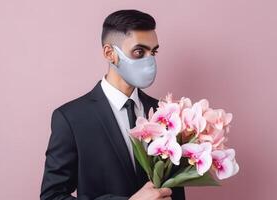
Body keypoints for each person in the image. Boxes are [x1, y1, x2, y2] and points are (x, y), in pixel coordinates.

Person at [40, 9, 186, 200]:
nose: (150, 61)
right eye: (139, 51)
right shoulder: (71, 118)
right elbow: (52, 196)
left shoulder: (164, 113)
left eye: (154, 52)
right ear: (109, 53)